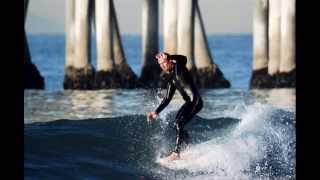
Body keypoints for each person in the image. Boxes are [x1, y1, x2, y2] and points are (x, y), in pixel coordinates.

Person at [147, 52, 203, 161]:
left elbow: (184, 58)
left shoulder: (179, 68)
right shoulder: (172, 79)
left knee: (178, 123)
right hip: (189, 102)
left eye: (163, 63)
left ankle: (176, 153)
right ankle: (188, 147)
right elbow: (167, 99)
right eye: (160, 64)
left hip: (195, 101)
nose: (162, 66)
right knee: (177, 124)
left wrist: (170, 56)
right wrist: (156, 112)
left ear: (169, 61)